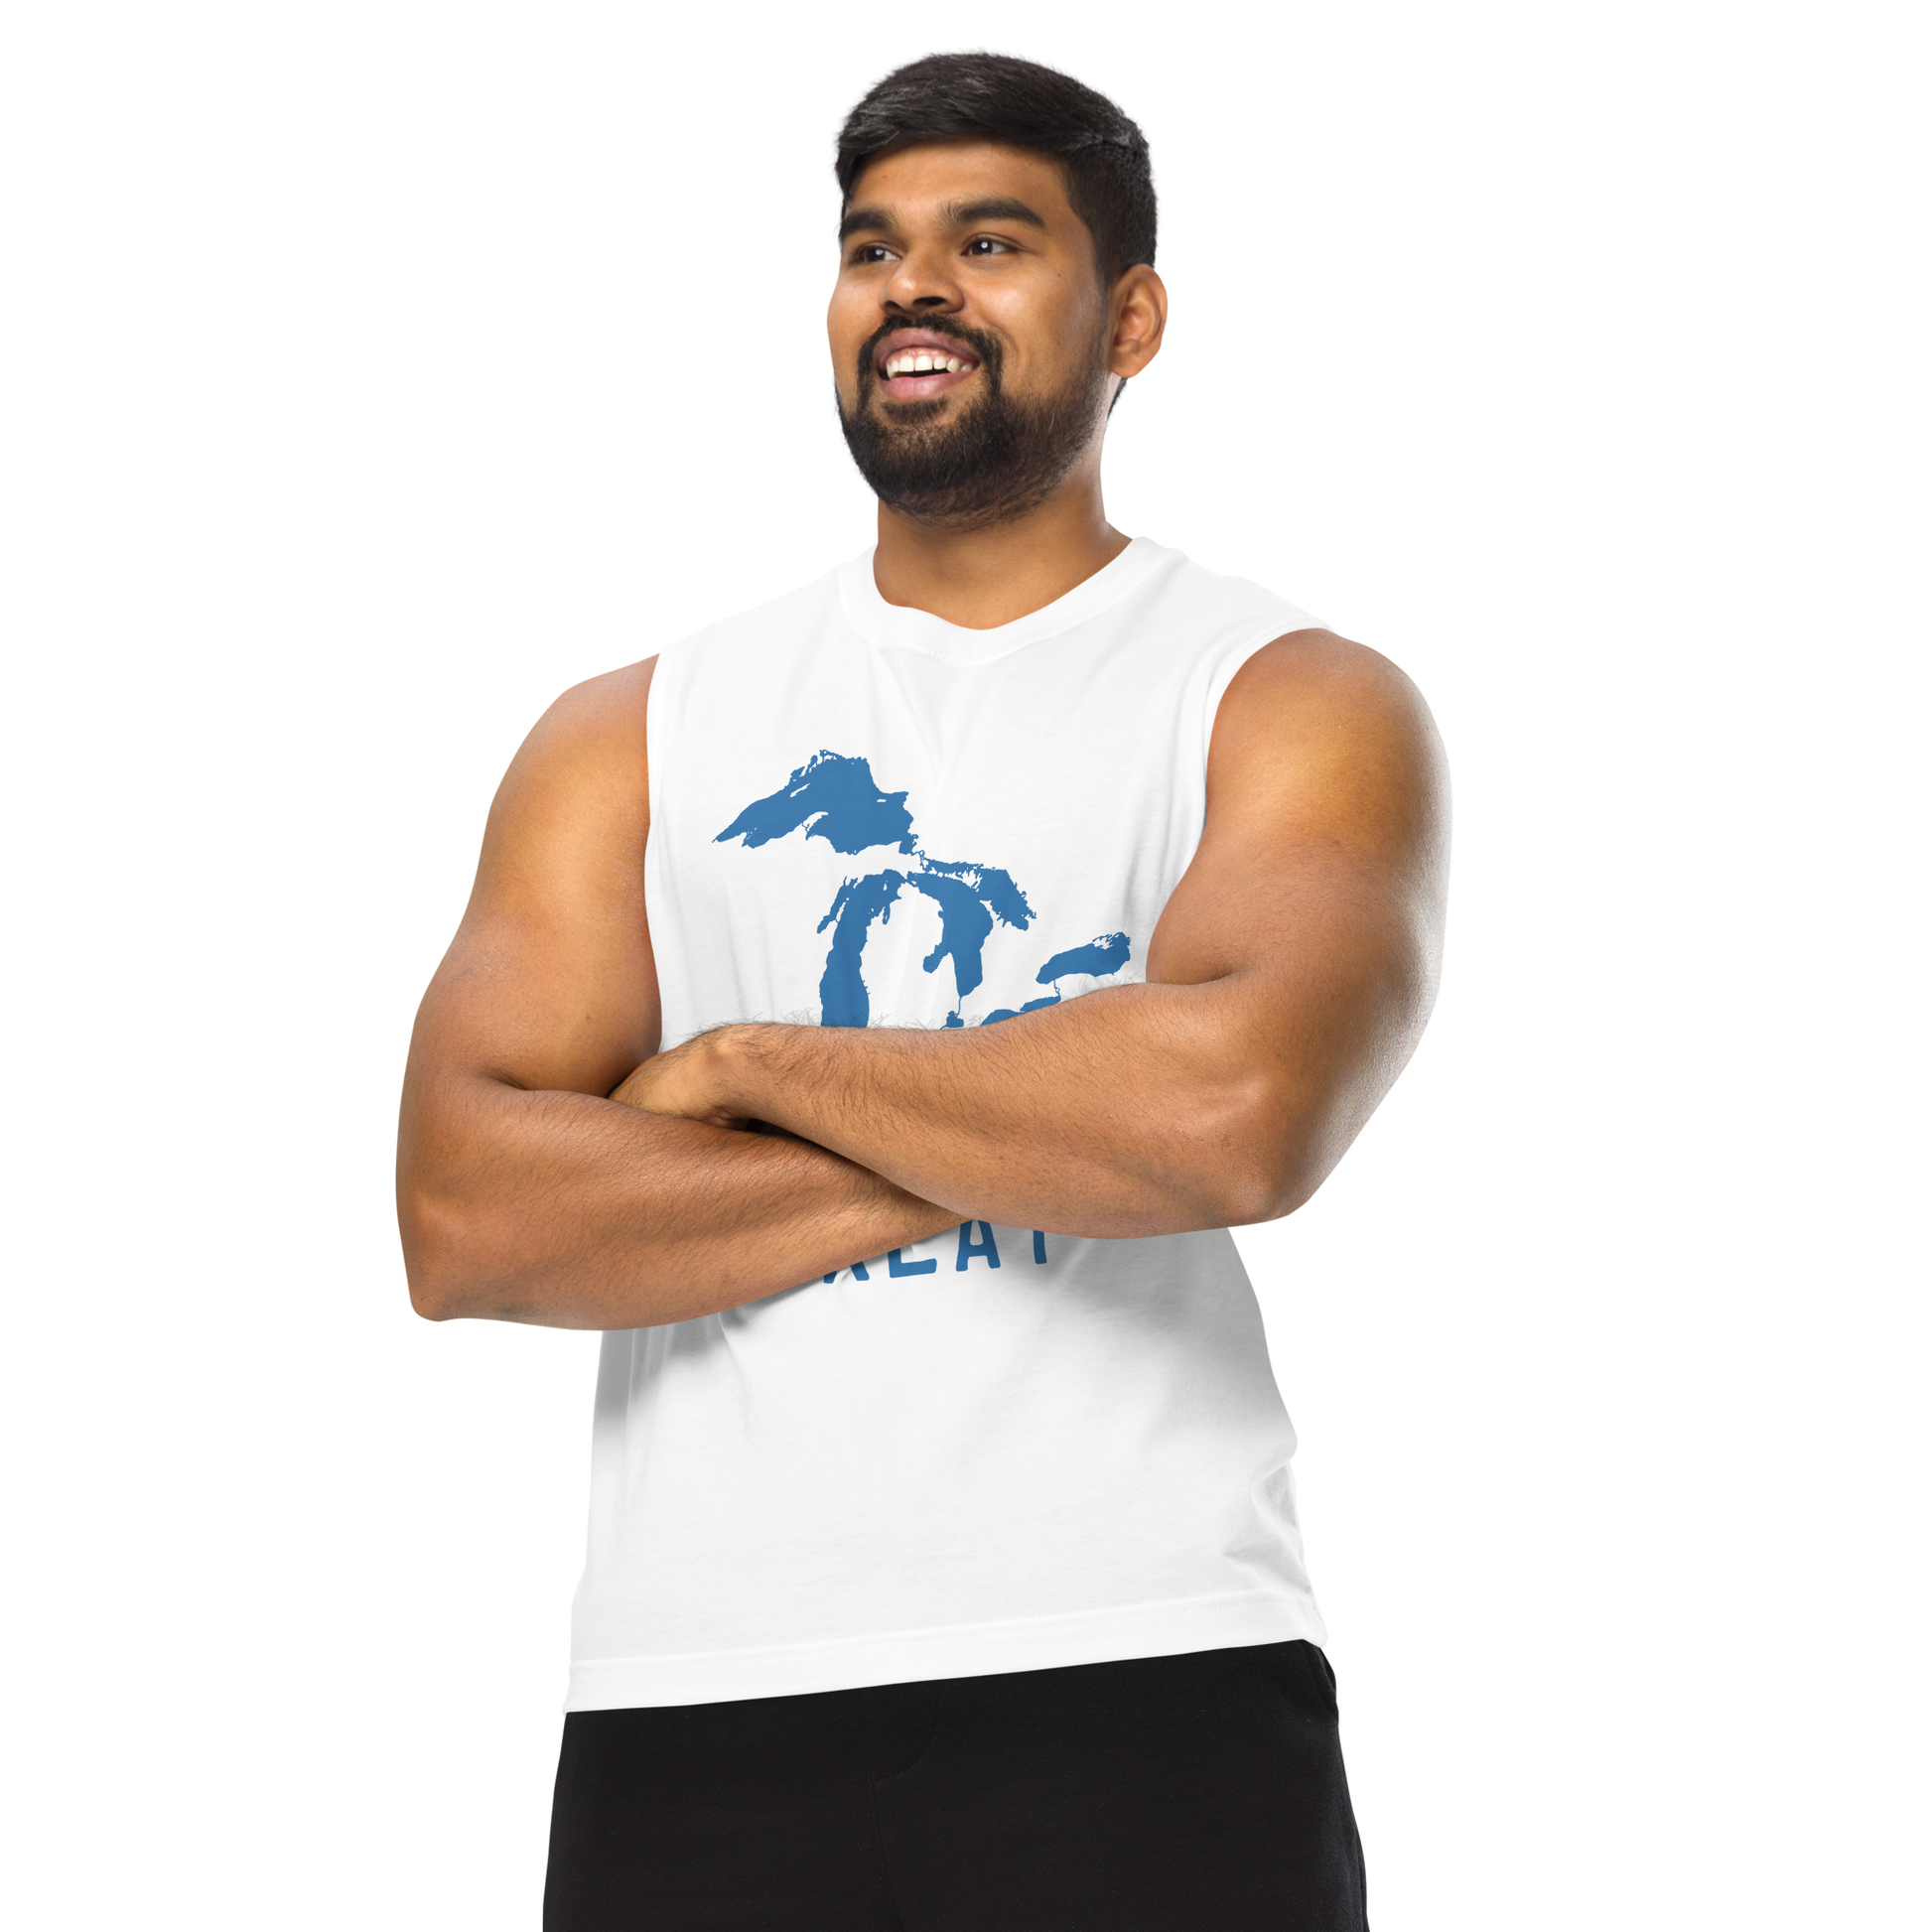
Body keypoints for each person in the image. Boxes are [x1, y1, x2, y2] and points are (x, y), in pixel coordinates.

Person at [395, 42, 1450, 1931]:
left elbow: (1236, 1117)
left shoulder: (1285, 694)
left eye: (990, 241)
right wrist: (1065, 1122)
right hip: (687, 1689)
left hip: (1144, 1657)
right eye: (870, 248)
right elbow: (464, 1217)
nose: (914, 289)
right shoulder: (630, 728)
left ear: (1132, 319)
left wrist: (739, 1063)